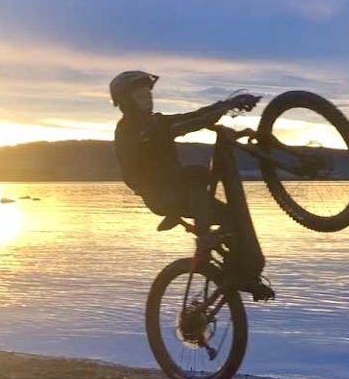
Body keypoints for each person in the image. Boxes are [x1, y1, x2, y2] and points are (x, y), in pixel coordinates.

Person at [110, 70, 273, 300]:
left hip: (180, 191)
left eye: (148, 93)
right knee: (196, 173)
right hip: (161, 196)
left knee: (231, 217)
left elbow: (193, 118)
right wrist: (225, 106)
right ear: (126, 101)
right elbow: (187, 123)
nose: (147, 98)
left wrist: (227, 105)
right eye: (140, 95)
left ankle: (240, 275)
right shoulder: (128, 131)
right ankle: (205, 238)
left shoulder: (158, 122)